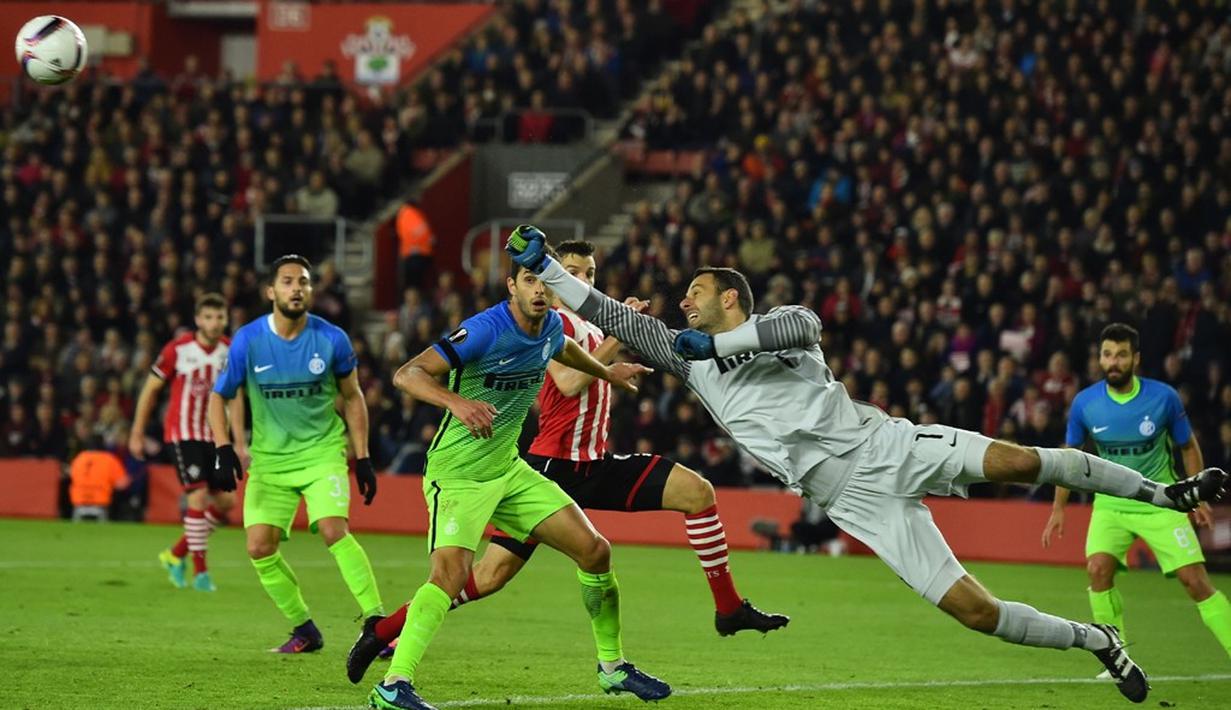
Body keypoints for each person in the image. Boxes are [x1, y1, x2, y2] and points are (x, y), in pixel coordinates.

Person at [506, 225, 1231, 704]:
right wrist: (540, 265)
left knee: (1017, 460)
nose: (682, 300)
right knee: (974, 612)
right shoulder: (682, 358)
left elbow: (803, 323)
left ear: (729, 298)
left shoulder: (774, 332)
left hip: (887, 447)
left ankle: (1163, 491)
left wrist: (717, 347)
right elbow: (605, 310)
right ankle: (1097, 640)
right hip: (852, 502)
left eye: (695, 291)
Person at [348, 240, 787, 679]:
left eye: (589, 274)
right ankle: (386, 632)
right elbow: (568, 382)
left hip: (592, 464)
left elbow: (582, 363)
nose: (580, 282)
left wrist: (612, 364)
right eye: (570, 273)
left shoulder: (574, 330)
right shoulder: (549, 322)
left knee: (694, 494)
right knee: (486, 577)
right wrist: (618, 339)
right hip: (550, 466)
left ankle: (720, 612)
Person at [367, 251, 670, 710]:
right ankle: (393, 686)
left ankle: (612, 669)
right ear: (512, 286)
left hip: (508, 469)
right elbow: (406, 374)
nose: (538, 290)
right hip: (459, 474)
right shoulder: (485, 329)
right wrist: (457, 403)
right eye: (529, 280)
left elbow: (563, 350)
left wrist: (605, 371)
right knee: (450, 576)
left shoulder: (550, 328)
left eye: (544, 282)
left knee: (595, 551)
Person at [207, 254, 383, 653]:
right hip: (270, 460)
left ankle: (377, 623)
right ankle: (305, 629)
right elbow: (220, 396)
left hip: (322, 453)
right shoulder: (249, 340)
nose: (296, 288)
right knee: (258, 547)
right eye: (287, 281)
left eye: (303, 282)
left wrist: (364, 456)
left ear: (311, 290)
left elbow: (353, 398)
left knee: (332, 529)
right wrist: (222, 446)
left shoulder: (331, 339)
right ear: (271, 291)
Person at [1043, 323, 1231, 663]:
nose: (1113, 362)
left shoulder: (1163, 398)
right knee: (1098, 570)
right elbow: (1069, 460)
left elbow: (1188, 447)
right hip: (1111, 503)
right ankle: (1115, 658)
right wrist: (1059, 508)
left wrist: (1198, 496)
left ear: (1136, 359)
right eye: (1107, 355)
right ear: (1099, 359)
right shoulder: (1085, 403)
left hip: (1162, 502)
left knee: (1195, 581)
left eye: (1121, 355)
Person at [130, 293, 242, 592]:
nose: (214, 323)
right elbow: (150, 389)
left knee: (227, 501)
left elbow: (238, 398)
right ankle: (201, 573)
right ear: (197, 320)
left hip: (215, 436)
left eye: (219, 317)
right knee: (198, 497)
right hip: (182, 433)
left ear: (225, 319)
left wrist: (238, 441)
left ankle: (175, 553)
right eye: (208, 317)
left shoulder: (230, 351)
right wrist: (137, 432)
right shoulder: (177, 350)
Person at [69, 444, 129, 521]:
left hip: (78, 500)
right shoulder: (108, 458)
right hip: (101, 500)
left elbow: (71, 476)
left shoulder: (79, 458)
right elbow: (122, 484)